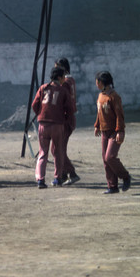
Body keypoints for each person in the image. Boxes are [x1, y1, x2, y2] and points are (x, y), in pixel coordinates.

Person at [32, 66, 74, 189]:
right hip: (57, 125)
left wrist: (40, 114)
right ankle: (57, 178)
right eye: (63, 78)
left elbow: (34, 105)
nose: (64, 80)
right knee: (58, 152)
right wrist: (64, 118)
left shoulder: (43, 88)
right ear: (60, 78)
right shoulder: (62, 90)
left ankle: (40, 179)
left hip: (43, 124)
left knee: (43, 152)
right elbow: (70, 109)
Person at [94, 71, 131, 194]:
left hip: (114, 132)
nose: (96, 84)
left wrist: (120, 131)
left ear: (102, 82)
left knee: (110, 157)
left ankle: (125, 176)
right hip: (104, 132)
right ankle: (112, 186)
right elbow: (99, 113)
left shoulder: (114, 97)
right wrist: (97, 126)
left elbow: (119, 115)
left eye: (97, 82)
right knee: (105, 160)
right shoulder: (100, 96)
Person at [51, 57, 80, 185]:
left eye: (57, 67)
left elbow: (64, 102)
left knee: (57, 149)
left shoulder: (65, 83)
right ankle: (63, 174)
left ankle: (71, 173)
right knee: (59, 148)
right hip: (68, 118)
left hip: (65, 118)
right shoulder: (71, 80)